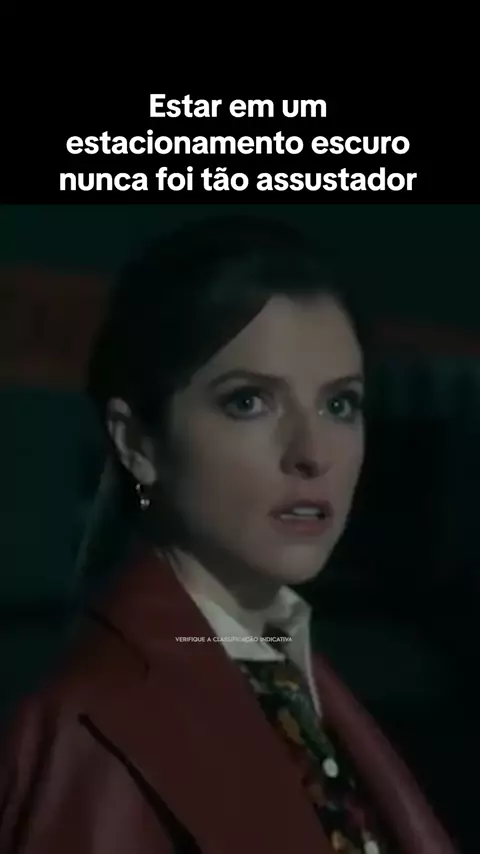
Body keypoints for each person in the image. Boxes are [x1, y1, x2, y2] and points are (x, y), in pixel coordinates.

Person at [0, 216, 458, 853]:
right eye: (248, 401)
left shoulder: (292, 670)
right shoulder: (90, 732)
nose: (312, 452)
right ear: (137, 443)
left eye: (339, 404)